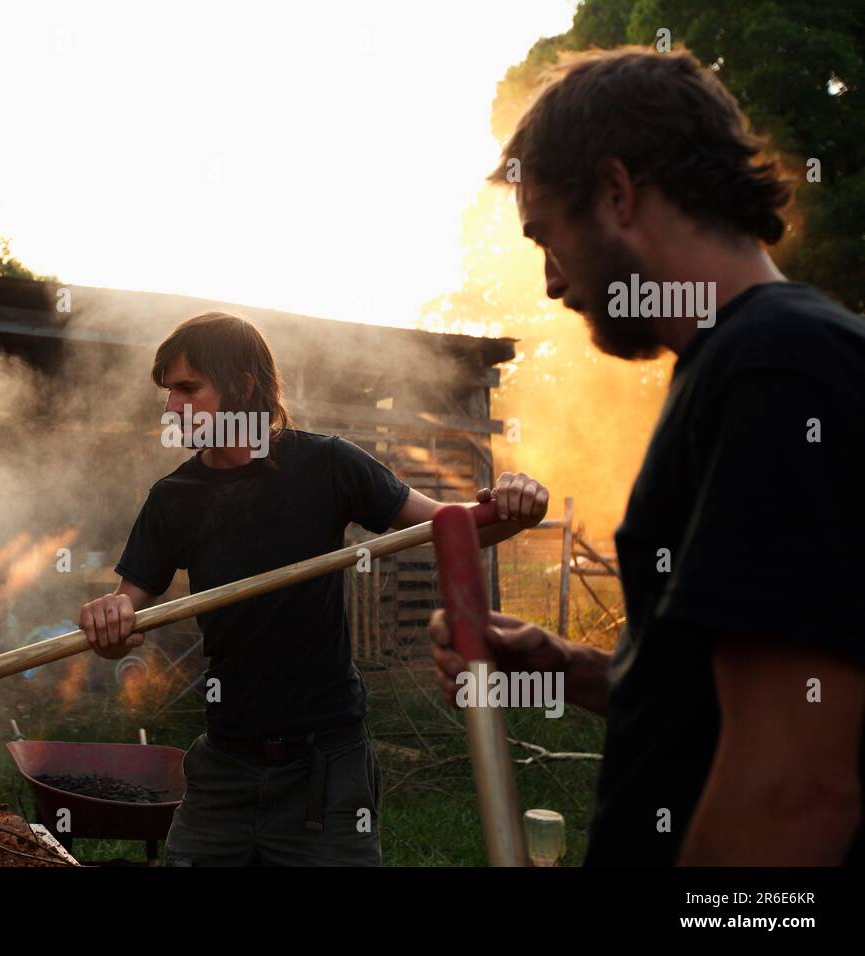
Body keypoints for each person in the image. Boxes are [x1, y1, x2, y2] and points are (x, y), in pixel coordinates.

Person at [430, 46, 865, 865]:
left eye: (547, 238)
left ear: (617, 192)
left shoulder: (777, 368)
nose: (553, 283)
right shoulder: (746, 366)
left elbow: (793, 788)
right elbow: (722, 701)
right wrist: (570, 667)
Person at [81, 310, 548, 865]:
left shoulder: (326, 463)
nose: (171, 407)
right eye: (168, 392)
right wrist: (108, 625)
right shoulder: (173, 498)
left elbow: (454, 528)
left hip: (326, 766)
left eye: (188, 389)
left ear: (242, 386)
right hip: (223, 768)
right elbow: (124, 609)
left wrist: (516, 508)